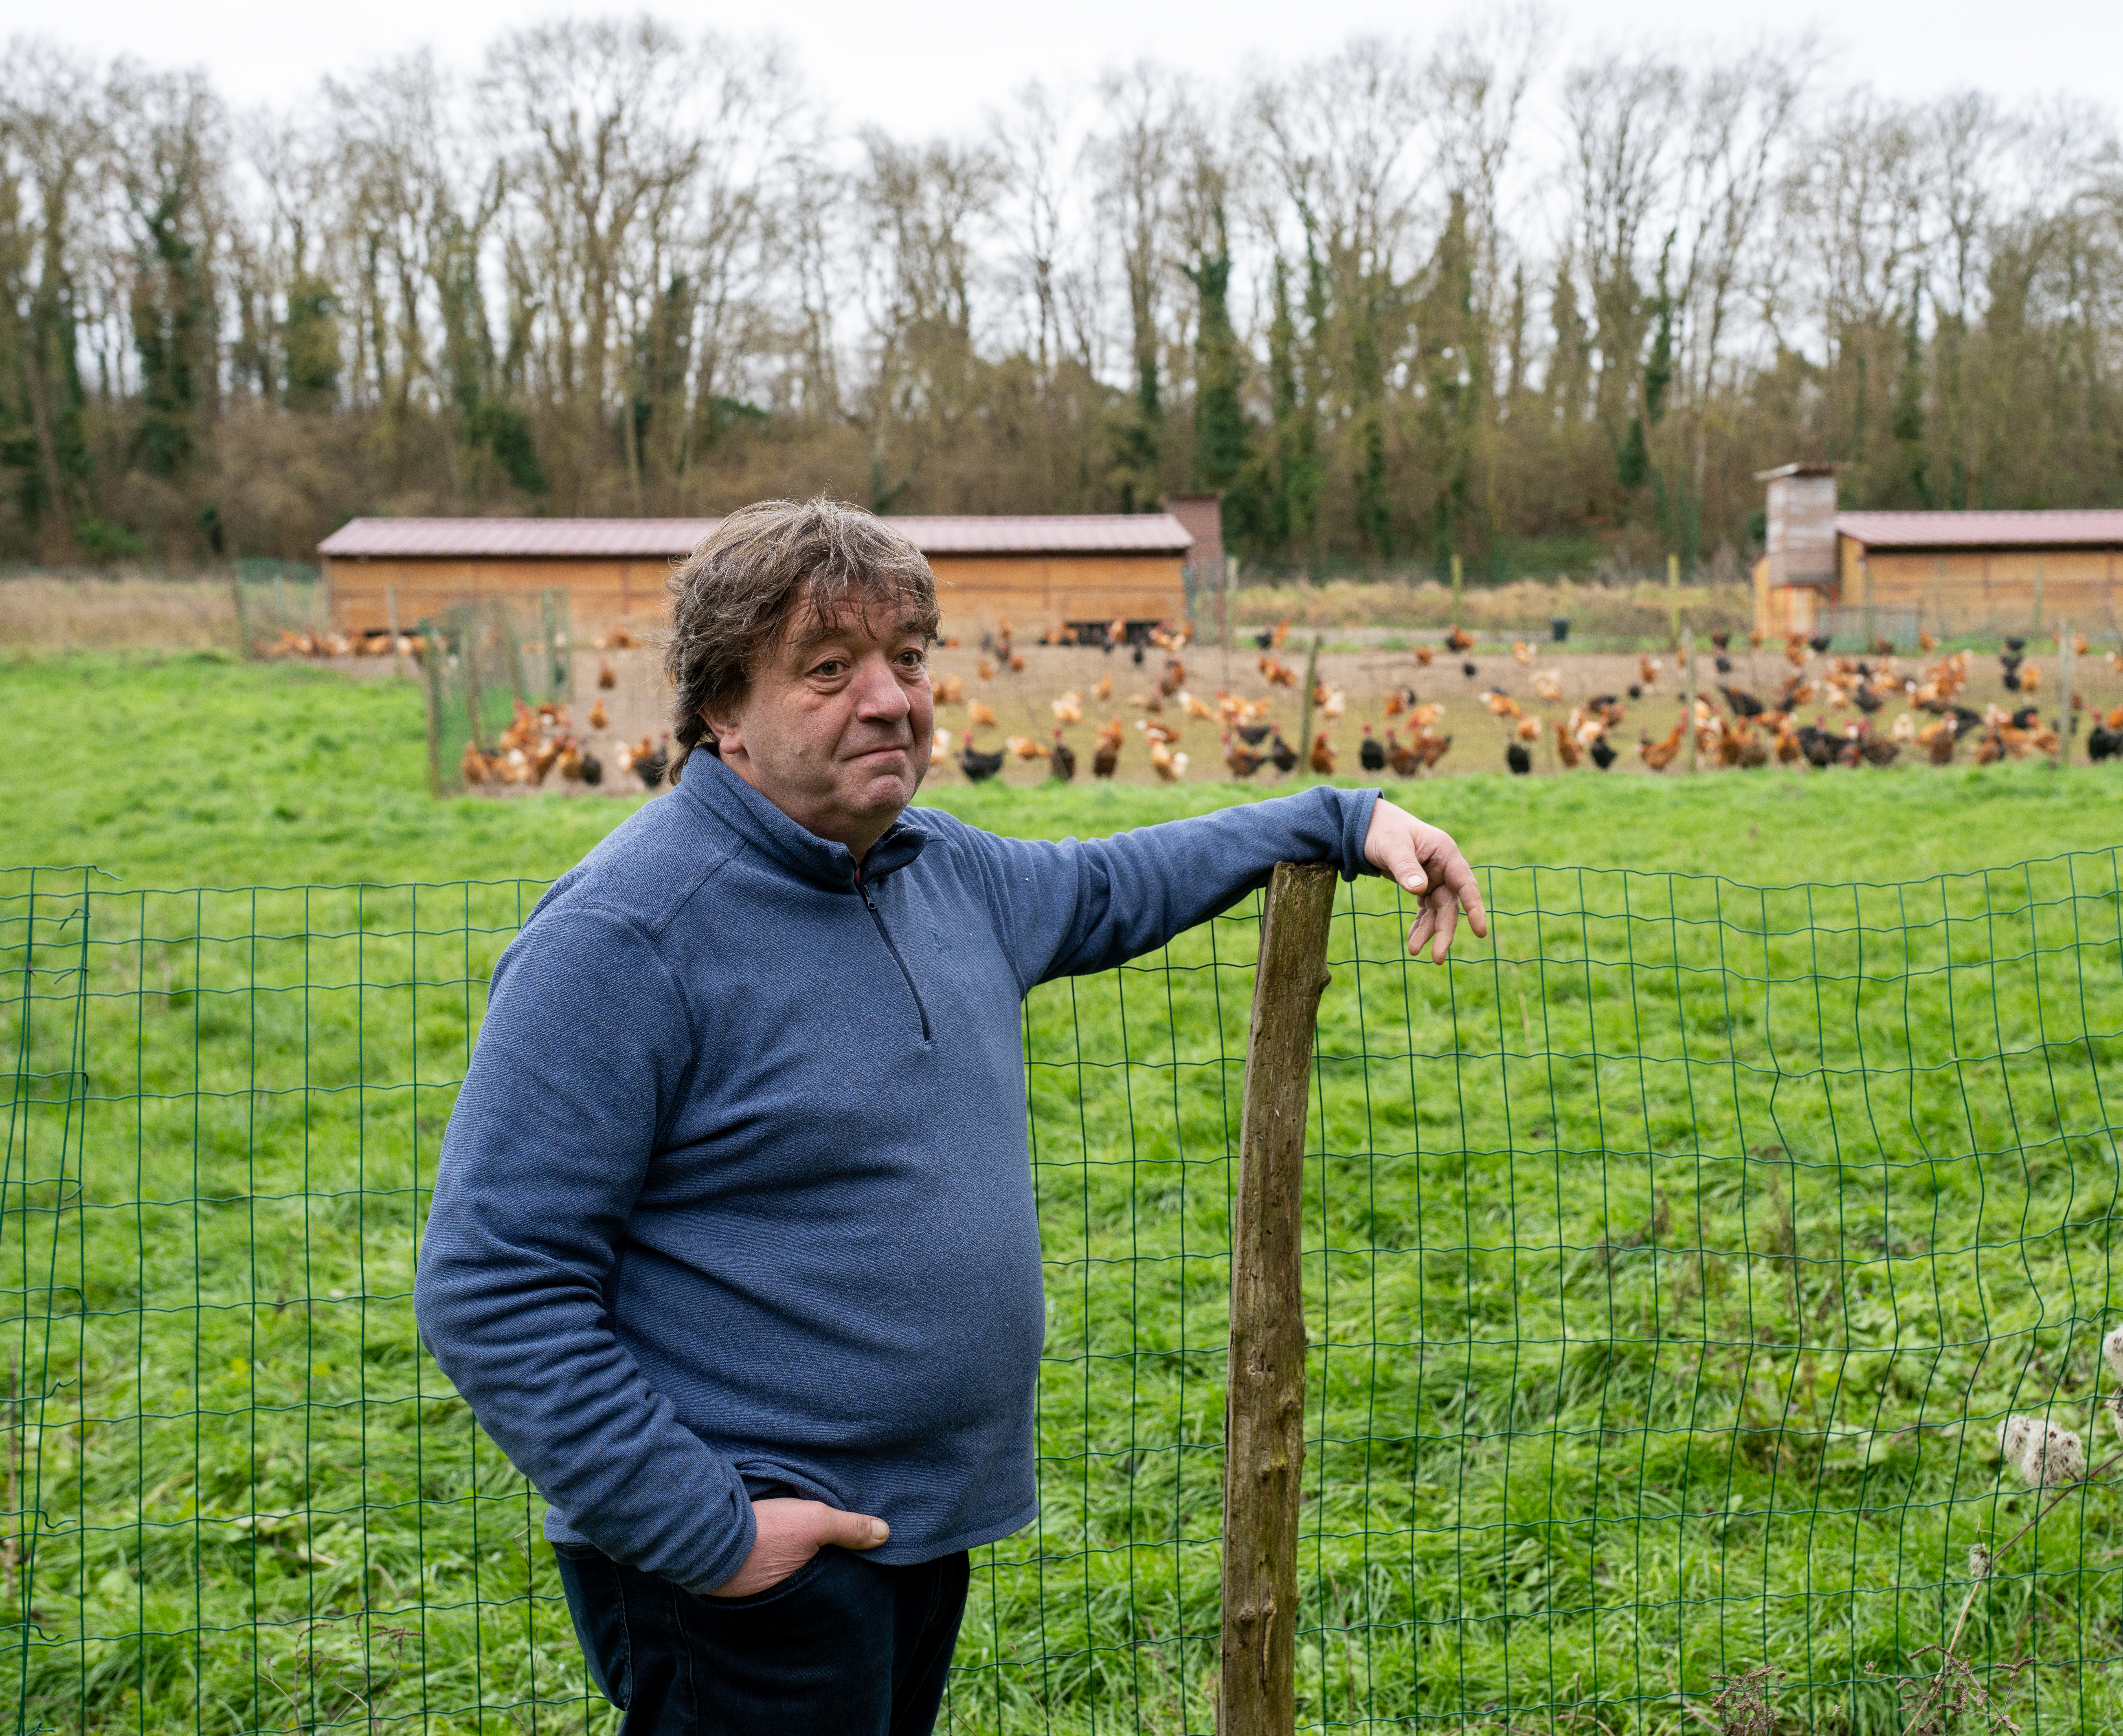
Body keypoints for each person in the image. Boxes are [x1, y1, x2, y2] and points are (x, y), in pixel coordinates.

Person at [415, 497, 1487, 1736]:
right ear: (721, 712)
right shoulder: (625, 936)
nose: (891, 699)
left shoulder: (933, 869)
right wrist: (709, 1536)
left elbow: (1107, 882)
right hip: (751, 1559)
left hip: (917, 1523)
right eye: (828, 669)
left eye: (907, 659)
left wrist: (1339, 821)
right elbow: (493, 1282)